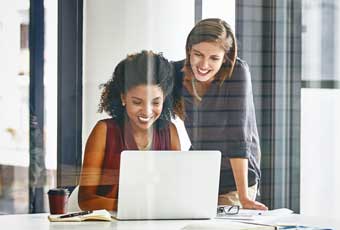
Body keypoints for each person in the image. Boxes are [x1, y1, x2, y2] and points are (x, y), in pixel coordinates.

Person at [173, 18, 268, 210]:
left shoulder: (237, 73)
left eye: (214, 58)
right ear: (189, 50)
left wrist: (243, 197)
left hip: (235, 177)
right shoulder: (176, 72)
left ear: (225, 57)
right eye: (197, 54)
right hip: (199, 173)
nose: (203, 64)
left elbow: (238, 138)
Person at [78, 51, 182, 211]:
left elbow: (177, 191)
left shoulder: (170, 131)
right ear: (123, 98)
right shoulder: (104, 131)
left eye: (155, 102)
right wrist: (134, 206)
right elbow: (85, 200)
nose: (147, 112)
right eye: (137, 102)